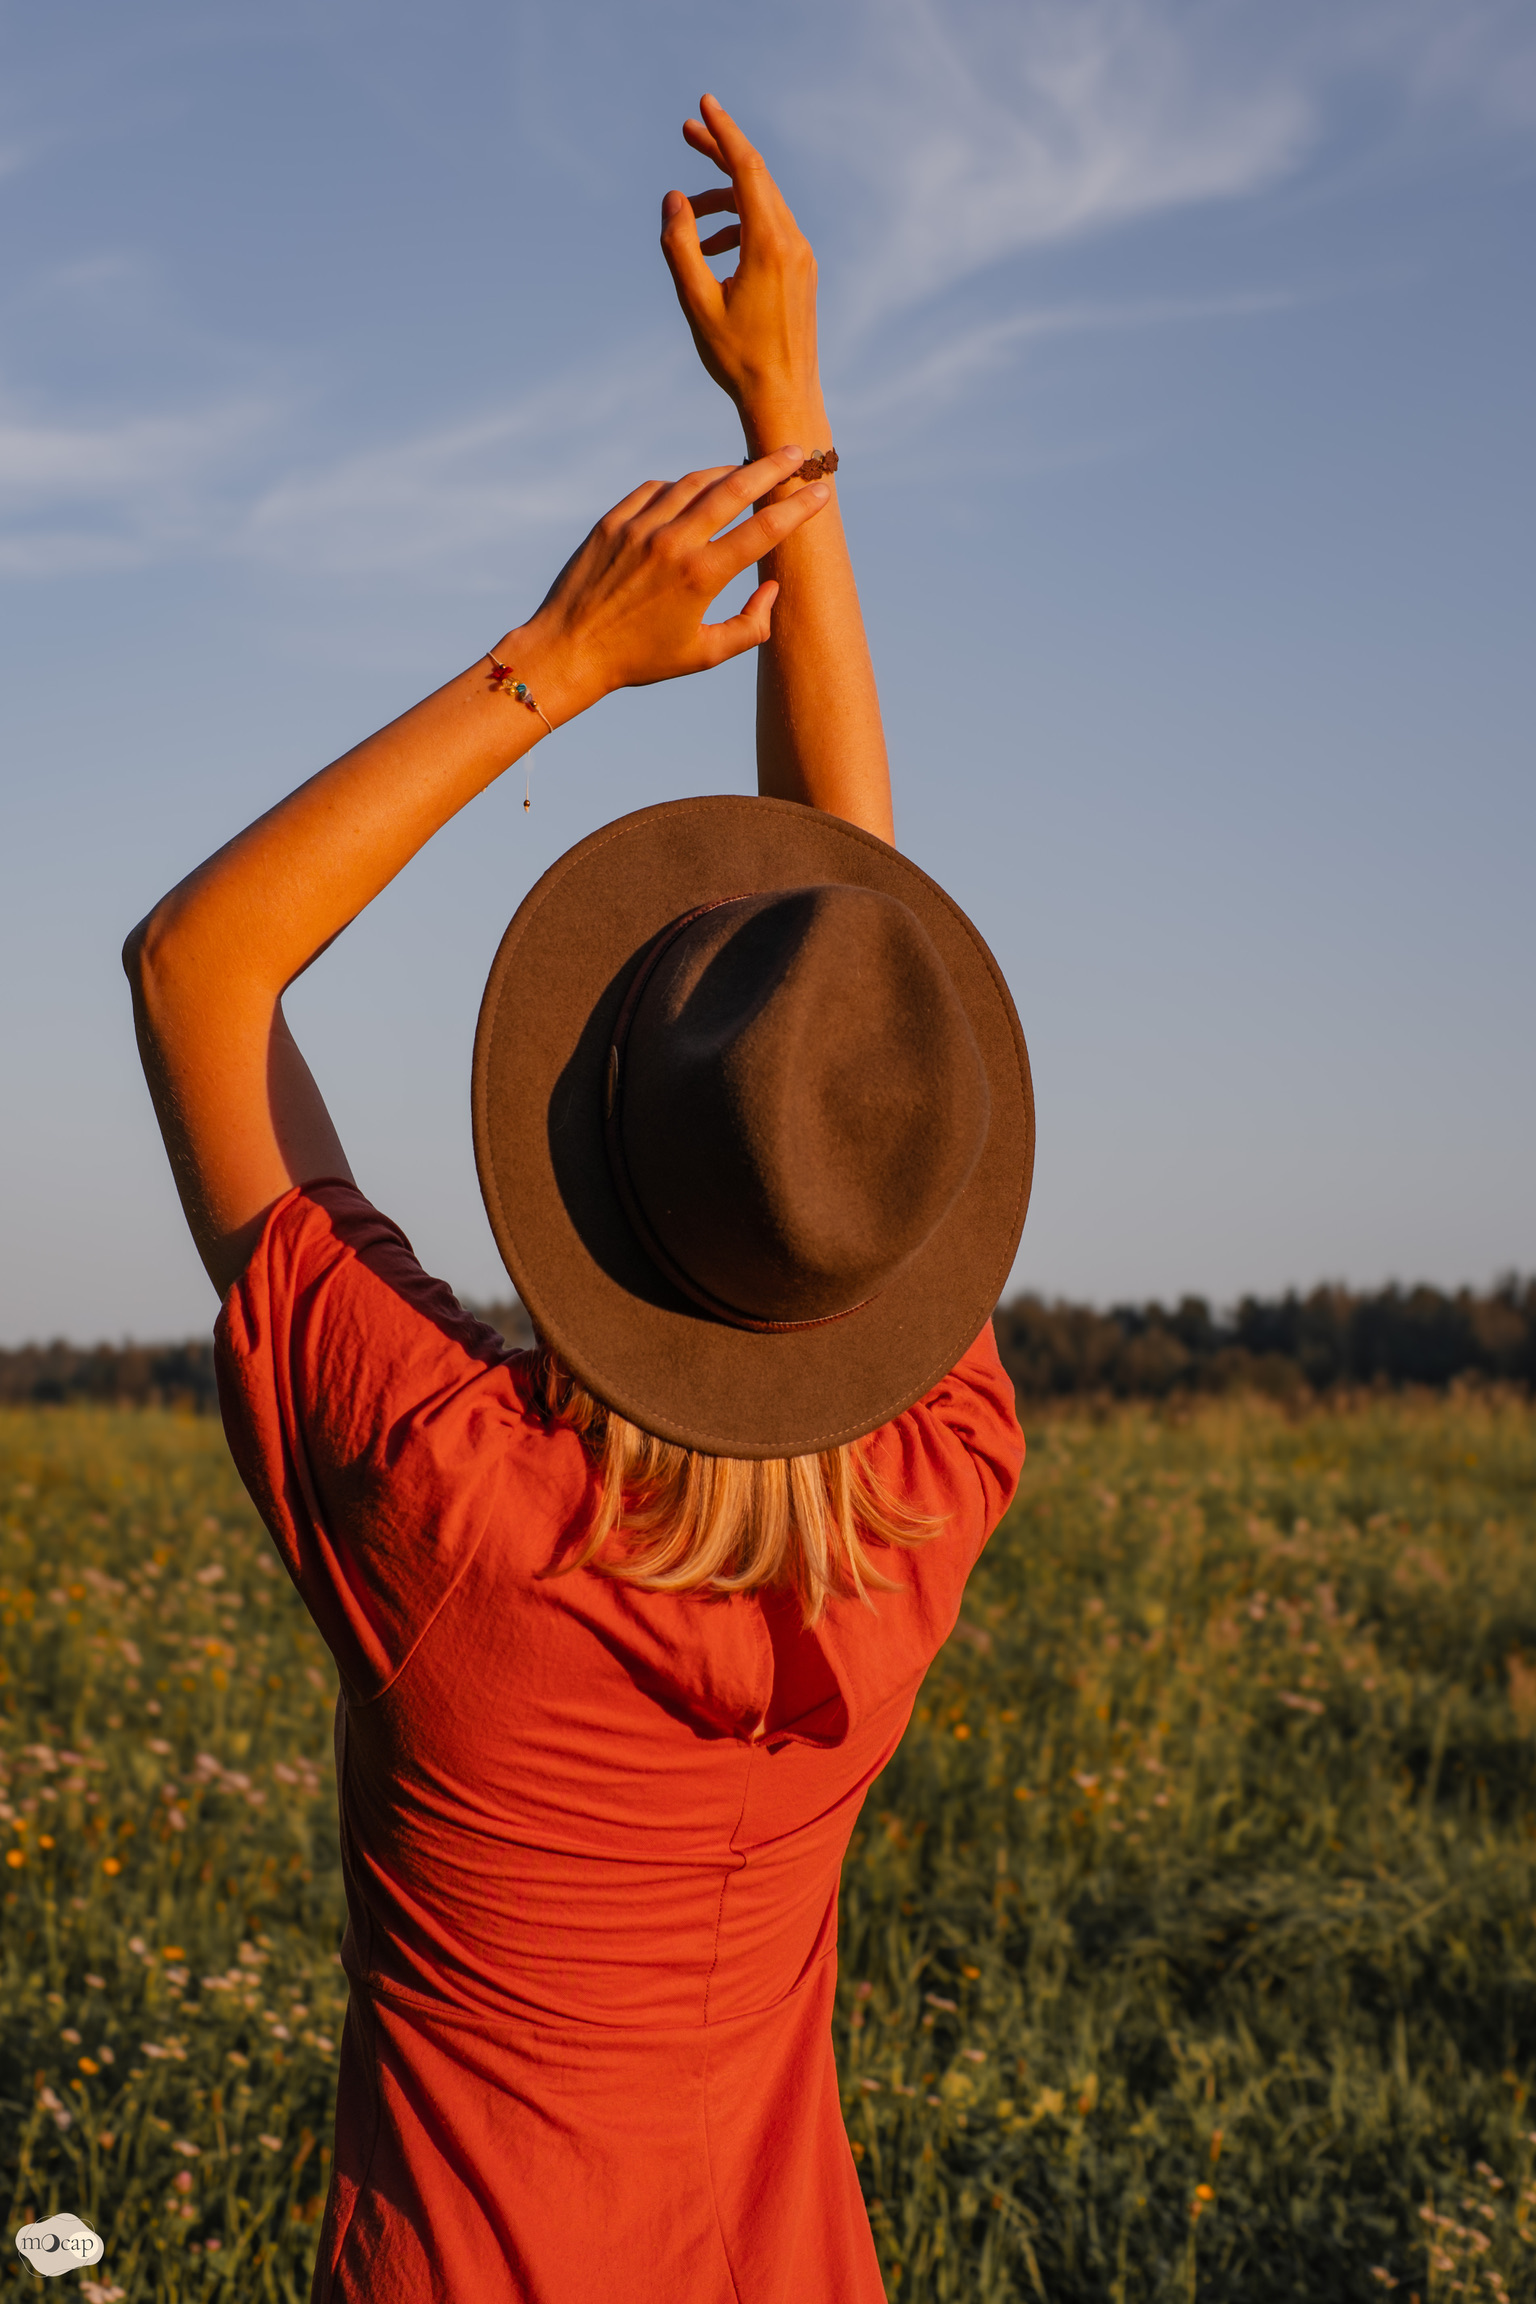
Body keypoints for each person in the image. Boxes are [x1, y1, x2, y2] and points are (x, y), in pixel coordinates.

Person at [125, 94, 1034, 2304]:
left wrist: (565, 653)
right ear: (879, 1259)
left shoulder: (453, 1508)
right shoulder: (929, 1495)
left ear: (587, 1165)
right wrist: (794, 426)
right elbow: (856, 980)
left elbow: (201, 969)